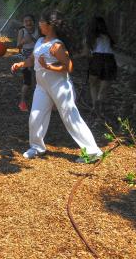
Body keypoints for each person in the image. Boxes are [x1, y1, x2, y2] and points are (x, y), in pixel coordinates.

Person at [11, 9, 103, 163]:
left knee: (70, 117)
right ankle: (37, 147)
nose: (39, 24)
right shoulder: (40, 41)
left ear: (50, 25)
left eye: (41, 22)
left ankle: (93, 152)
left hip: (60, 86)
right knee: (35, 117)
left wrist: (50, 67)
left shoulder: (57, 45)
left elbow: (69, 66)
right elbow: (32, 59)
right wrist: (20, 64)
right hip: (42, 87)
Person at [86, 16, 117, 116]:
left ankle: (95, 106)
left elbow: (86, 52)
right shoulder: (108, 37)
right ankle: (99, 102)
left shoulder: (91, 37)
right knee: (103, 88)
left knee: (93, 84)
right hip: (109, 60)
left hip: (97, 60)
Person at [16, 14, 39, 111]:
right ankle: (22, 102)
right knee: (27, 81)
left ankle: (38, 102)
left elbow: (41, 42)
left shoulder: (39, 30)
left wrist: (32, 39)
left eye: (30, 20)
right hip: (26, 57)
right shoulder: (22, 31)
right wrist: (23, 42)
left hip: (37, 56)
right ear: (23, 23)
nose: (28, 23)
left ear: (34, 22)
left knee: (39, 81)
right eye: (26, 21)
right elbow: (18, 46)